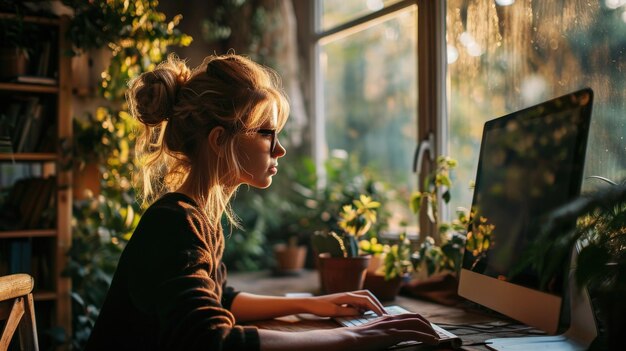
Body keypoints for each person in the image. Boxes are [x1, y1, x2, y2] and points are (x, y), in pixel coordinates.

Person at [85, 53, 439, 351]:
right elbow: (210, 340)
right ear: (220, 139)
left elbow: (219, 299)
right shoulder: (173, 223)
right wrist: (352, 335)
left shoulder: (194, 215)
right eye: (267, 133)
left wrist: (314, 304)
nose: (279, 149)